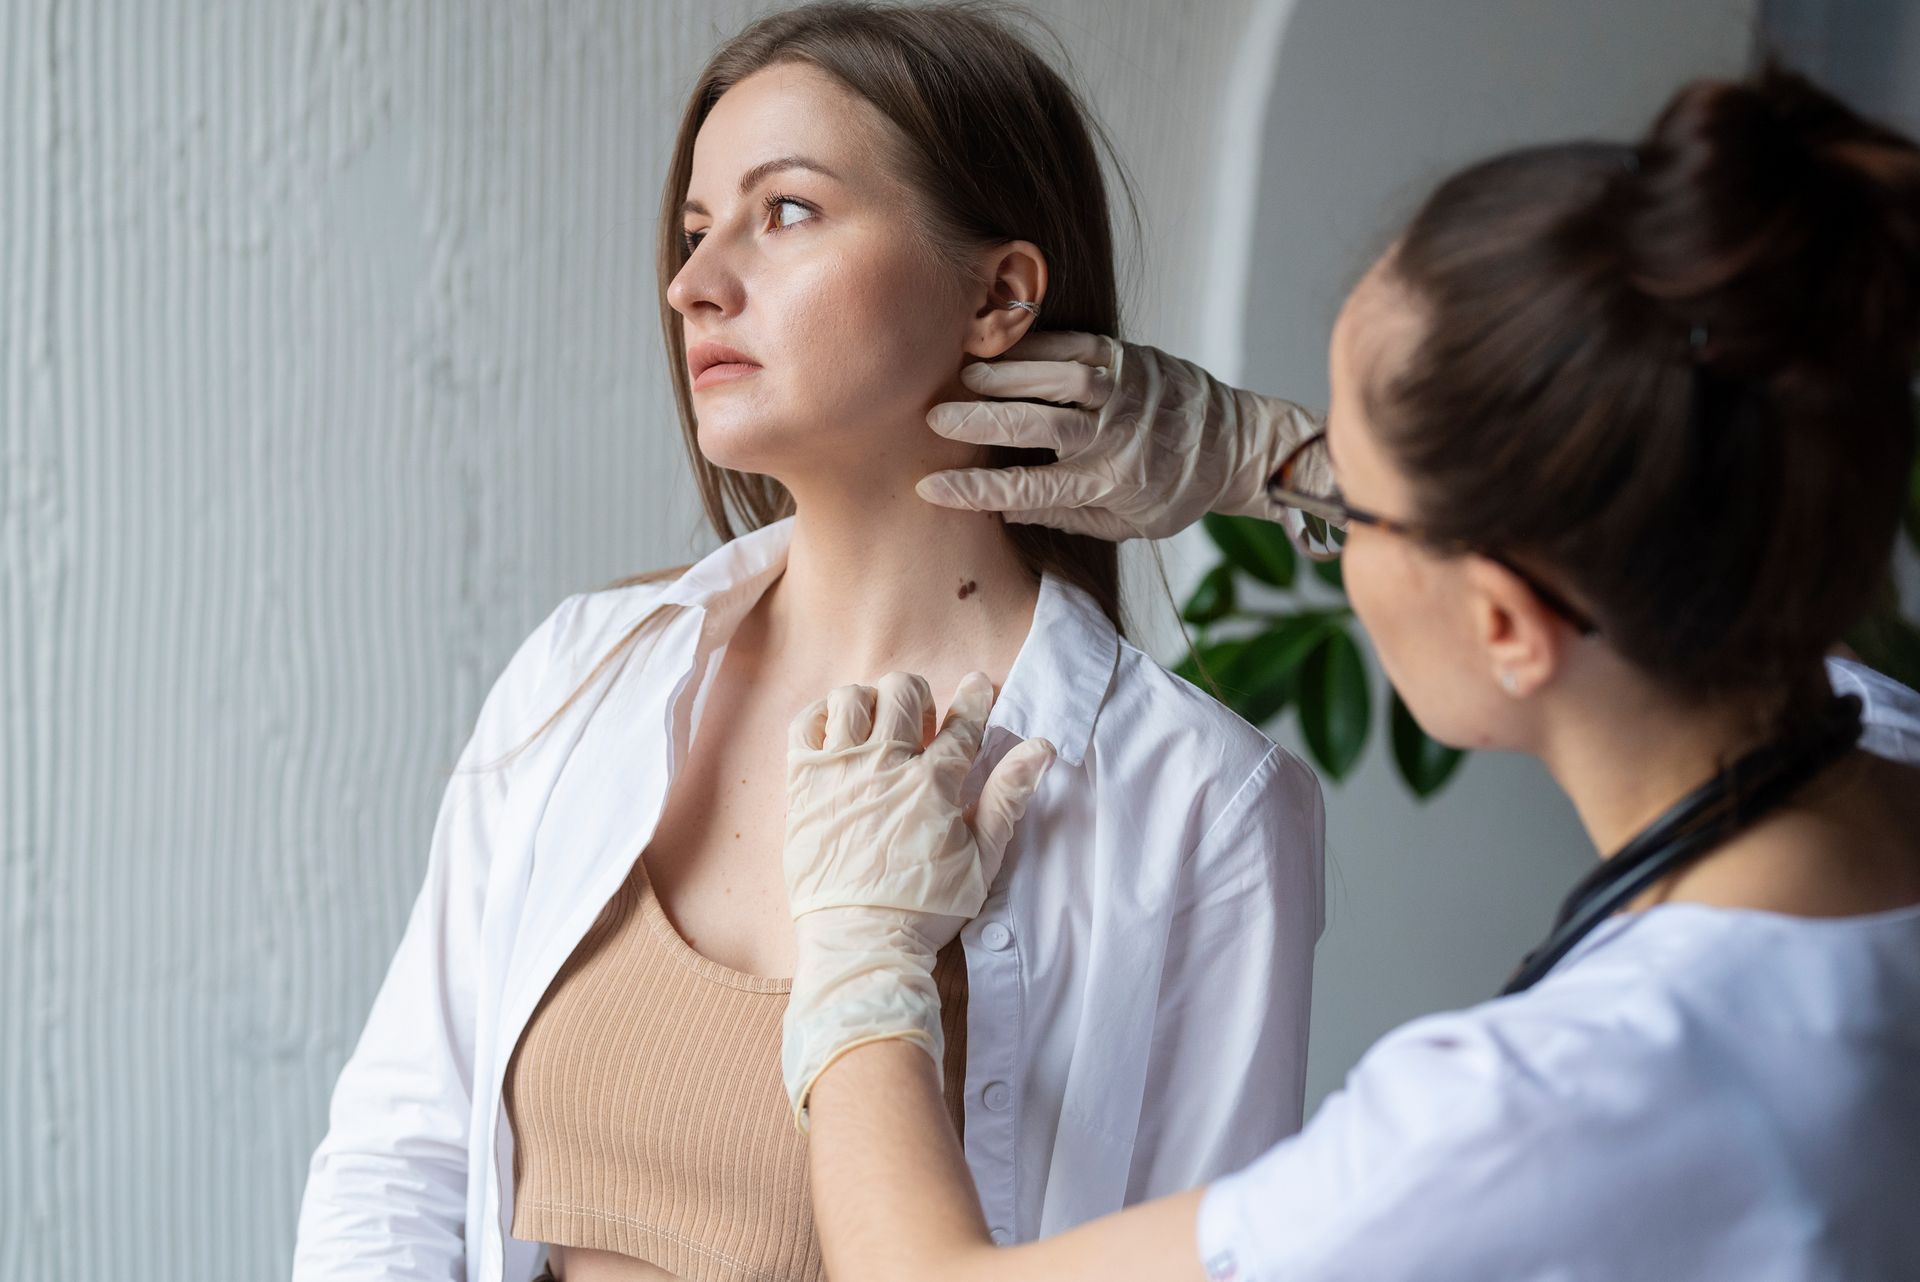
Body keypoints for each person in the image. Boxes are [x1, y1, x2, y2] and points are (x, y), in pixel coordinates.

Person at [777, 63, 1920, 1280]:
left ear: (1505, 625)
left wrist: (861, 961)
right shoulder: (1883, 757)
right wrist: (1270, 466)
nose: (1328, 530)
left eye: (1353, 509)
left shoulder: (1536, 1108)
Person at [291, 6, 1326, 1282]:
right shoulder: (583, 672)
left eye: (785, 211)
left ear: (999, 294)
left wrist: (1300, 463)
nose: (694, 281)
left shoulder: (1200, 807)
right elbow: (397, 1153)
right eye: (692, 230)